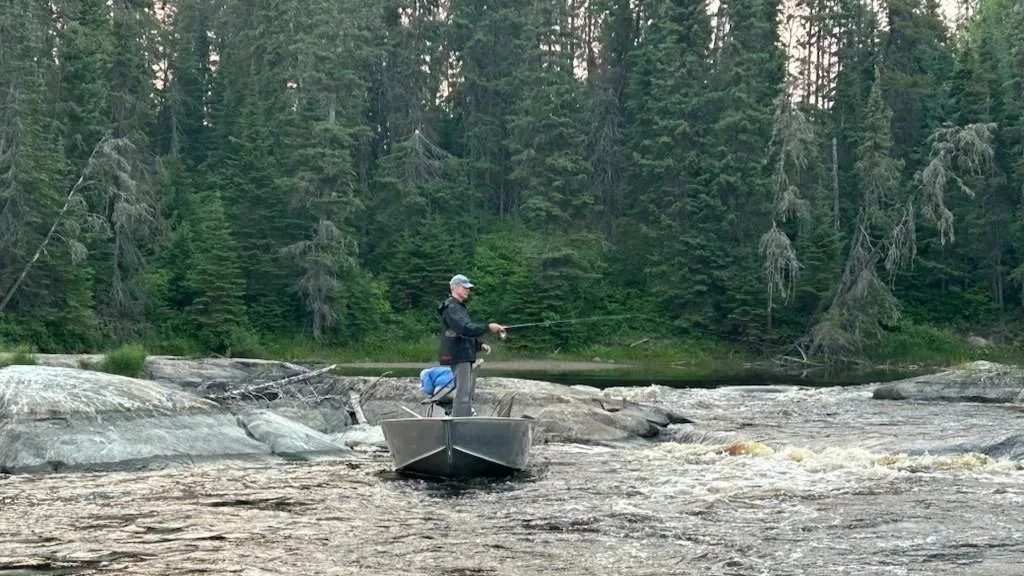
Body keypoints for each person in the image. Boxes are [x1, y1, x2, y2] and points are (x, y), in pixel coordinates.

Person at [437, 274, 505, 417]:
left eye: (469, 288)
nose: (468, 290)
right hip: (458, 354)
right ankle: (459, 423)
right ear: (455, 287)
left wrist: (479, 345)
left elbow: (464, 333)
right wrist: (488, 327)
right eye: (465, 287)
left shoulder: (459, 307)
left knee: (467, 392)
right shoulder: (452, 307)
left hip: (463, 353)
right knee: (463, 392)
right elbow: (463, 328)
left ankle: (465, 418)